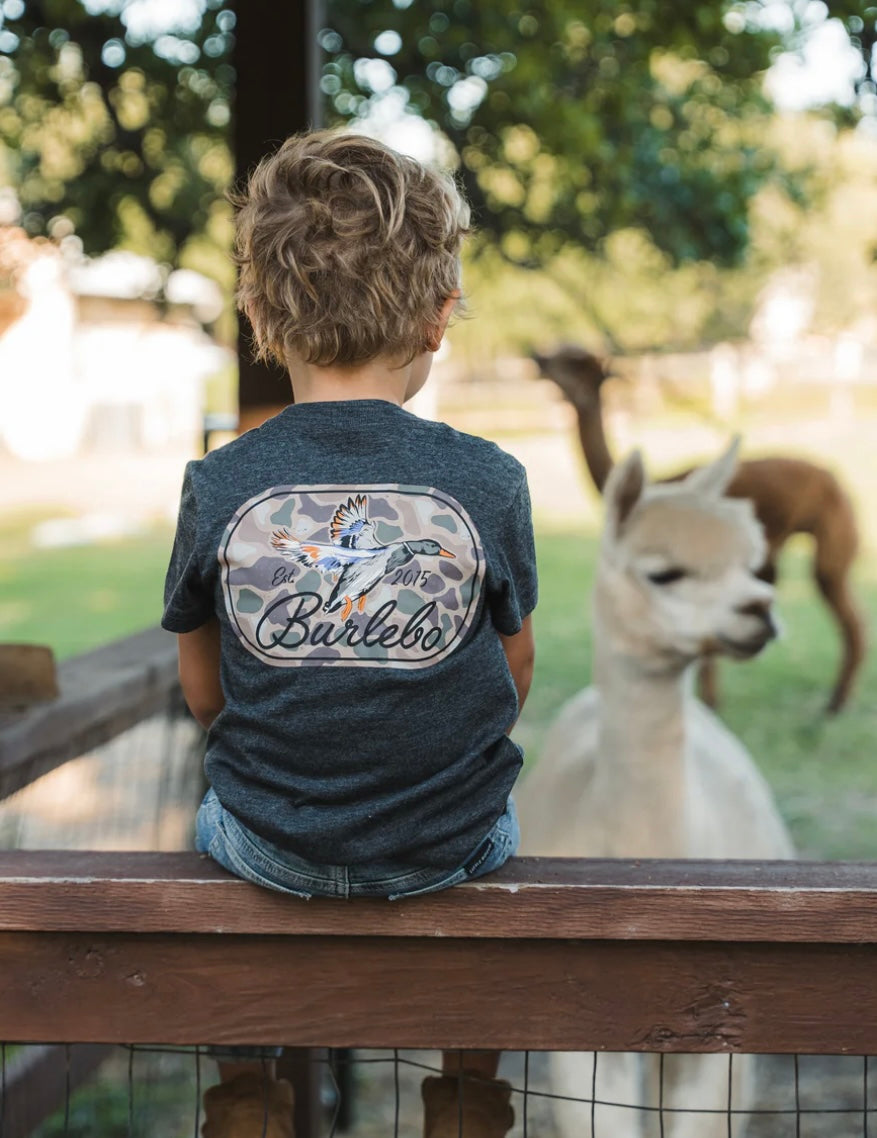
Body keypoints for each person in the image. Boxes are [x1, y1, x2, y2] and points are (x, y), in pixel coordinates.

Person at [162, 128, 537, 1138]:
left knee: (206, 822)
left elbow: (204, 692)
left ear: (258, 313)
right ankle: (466, 1099)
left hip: (267, 848)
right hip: (446, 847)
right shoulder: (489, 481)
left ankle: (248, 1094)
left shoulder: (218, 484)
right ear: (439, 315)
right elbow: (512, 674)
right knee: (503, 826)